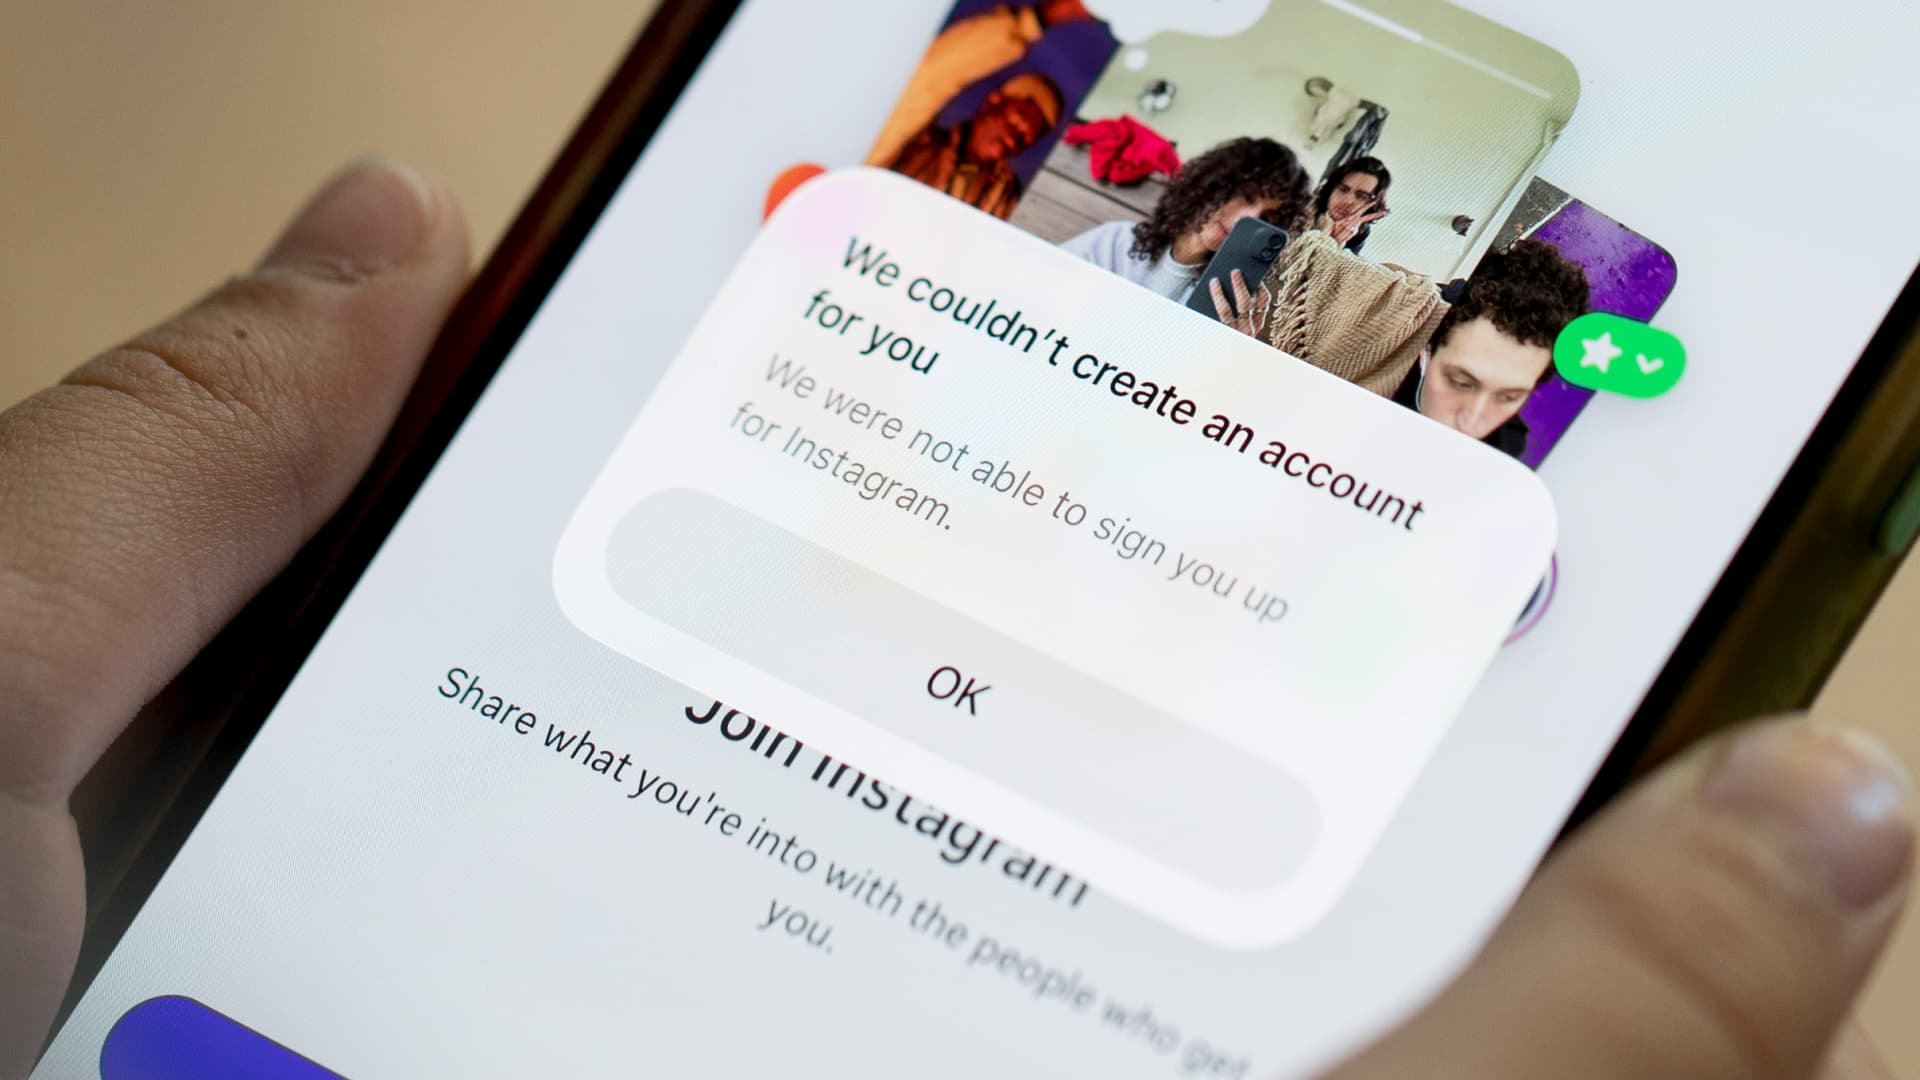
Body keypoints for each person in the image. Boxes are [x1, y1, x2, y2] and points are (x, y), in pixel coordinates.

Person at [0, 160, 1911, 1080]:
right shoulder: (1261, 358)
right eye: (1459, 380)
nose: (1473, 415)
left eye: (1506, 402)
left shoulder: (1483, 542)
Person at [1391, 239, 1591, 458]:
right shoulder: (1386, 352)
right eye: (1460, 383)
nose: (1470, 424)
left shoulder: (1503, 448)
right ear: (1427, 352)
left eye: (1509, 397)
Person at [1058, 136, 1313, 303]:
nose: (1248, 218)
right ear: (1213, 183)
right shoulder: (1115, 242)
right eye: (1246, 196)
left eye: (1267, 218)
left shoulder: (1225, 301)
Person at [883, 69, 1064, 219]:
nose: (1011, 141)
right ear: (994, 101)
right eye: (1014, 124)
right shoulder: (919, 142)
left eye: (1025, 140)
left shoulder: (1004, 192)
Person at [1313, 156, 1392, 253]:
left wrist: (1334, 244)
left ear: (1372, 204)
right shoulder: (1303, 208)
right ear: (1332, 188)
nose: (1348, 201)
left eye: (1361, 196)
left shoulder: (1359, 233)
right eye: (1343, 190)